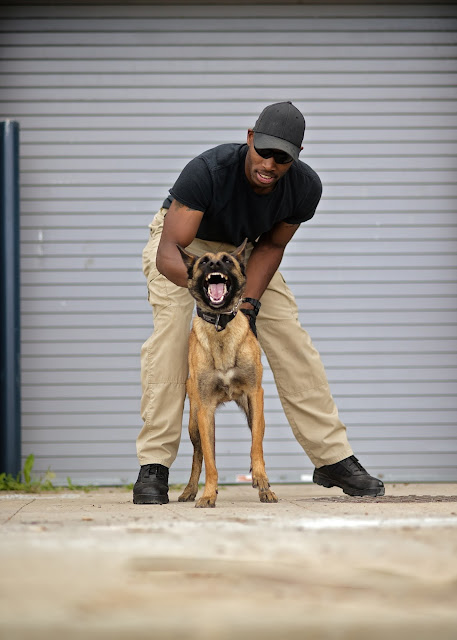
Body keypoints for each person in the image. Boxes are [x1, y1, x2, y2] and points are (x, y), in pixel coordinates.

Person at [133, 101, 385, 505]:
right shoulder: (208, 171)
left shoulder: (304, 188)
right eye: (264, 151)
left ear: (295, 158)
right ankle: (155, 465)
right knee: (170, 341)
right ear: (250, 139)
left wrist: (245, 303)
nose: (269, 163)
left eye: (282, 157)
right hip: (187, 252)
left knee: (291, 340)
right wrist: (210, 296)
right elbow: (168, 251)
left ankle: (332, 457)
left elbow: (272, 245)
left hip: (242, 257)